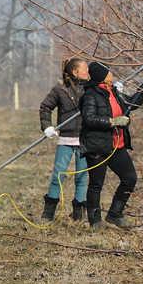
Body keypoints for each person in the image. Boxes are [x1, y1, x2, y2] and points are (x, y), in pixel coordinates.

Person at [79, 61, 143, 229]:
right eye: (108, 72)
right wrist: (111, 122)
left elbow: (131, 104)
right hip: (98, 146)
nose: (111, 73)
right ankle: (95, 221)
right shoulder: (90, 95)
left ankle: (115, 214)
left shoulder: (114, 92)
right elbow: (89, 119)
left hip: (118, 146)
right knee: (96, 184)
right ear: (102, 77)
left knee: (129, 178)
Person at [38, 57, 90, 222]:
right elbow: (45, 107)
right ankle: (48, 213)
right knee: (58, 175)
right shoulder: (60, 89)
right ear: (75, 72)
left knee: (82, 177)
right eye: (85, 69)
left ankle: (78, 214)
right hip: (66, 139)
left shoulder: (90, 88)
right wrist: (47, 126)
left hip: (84, 140)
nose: (88, 73)